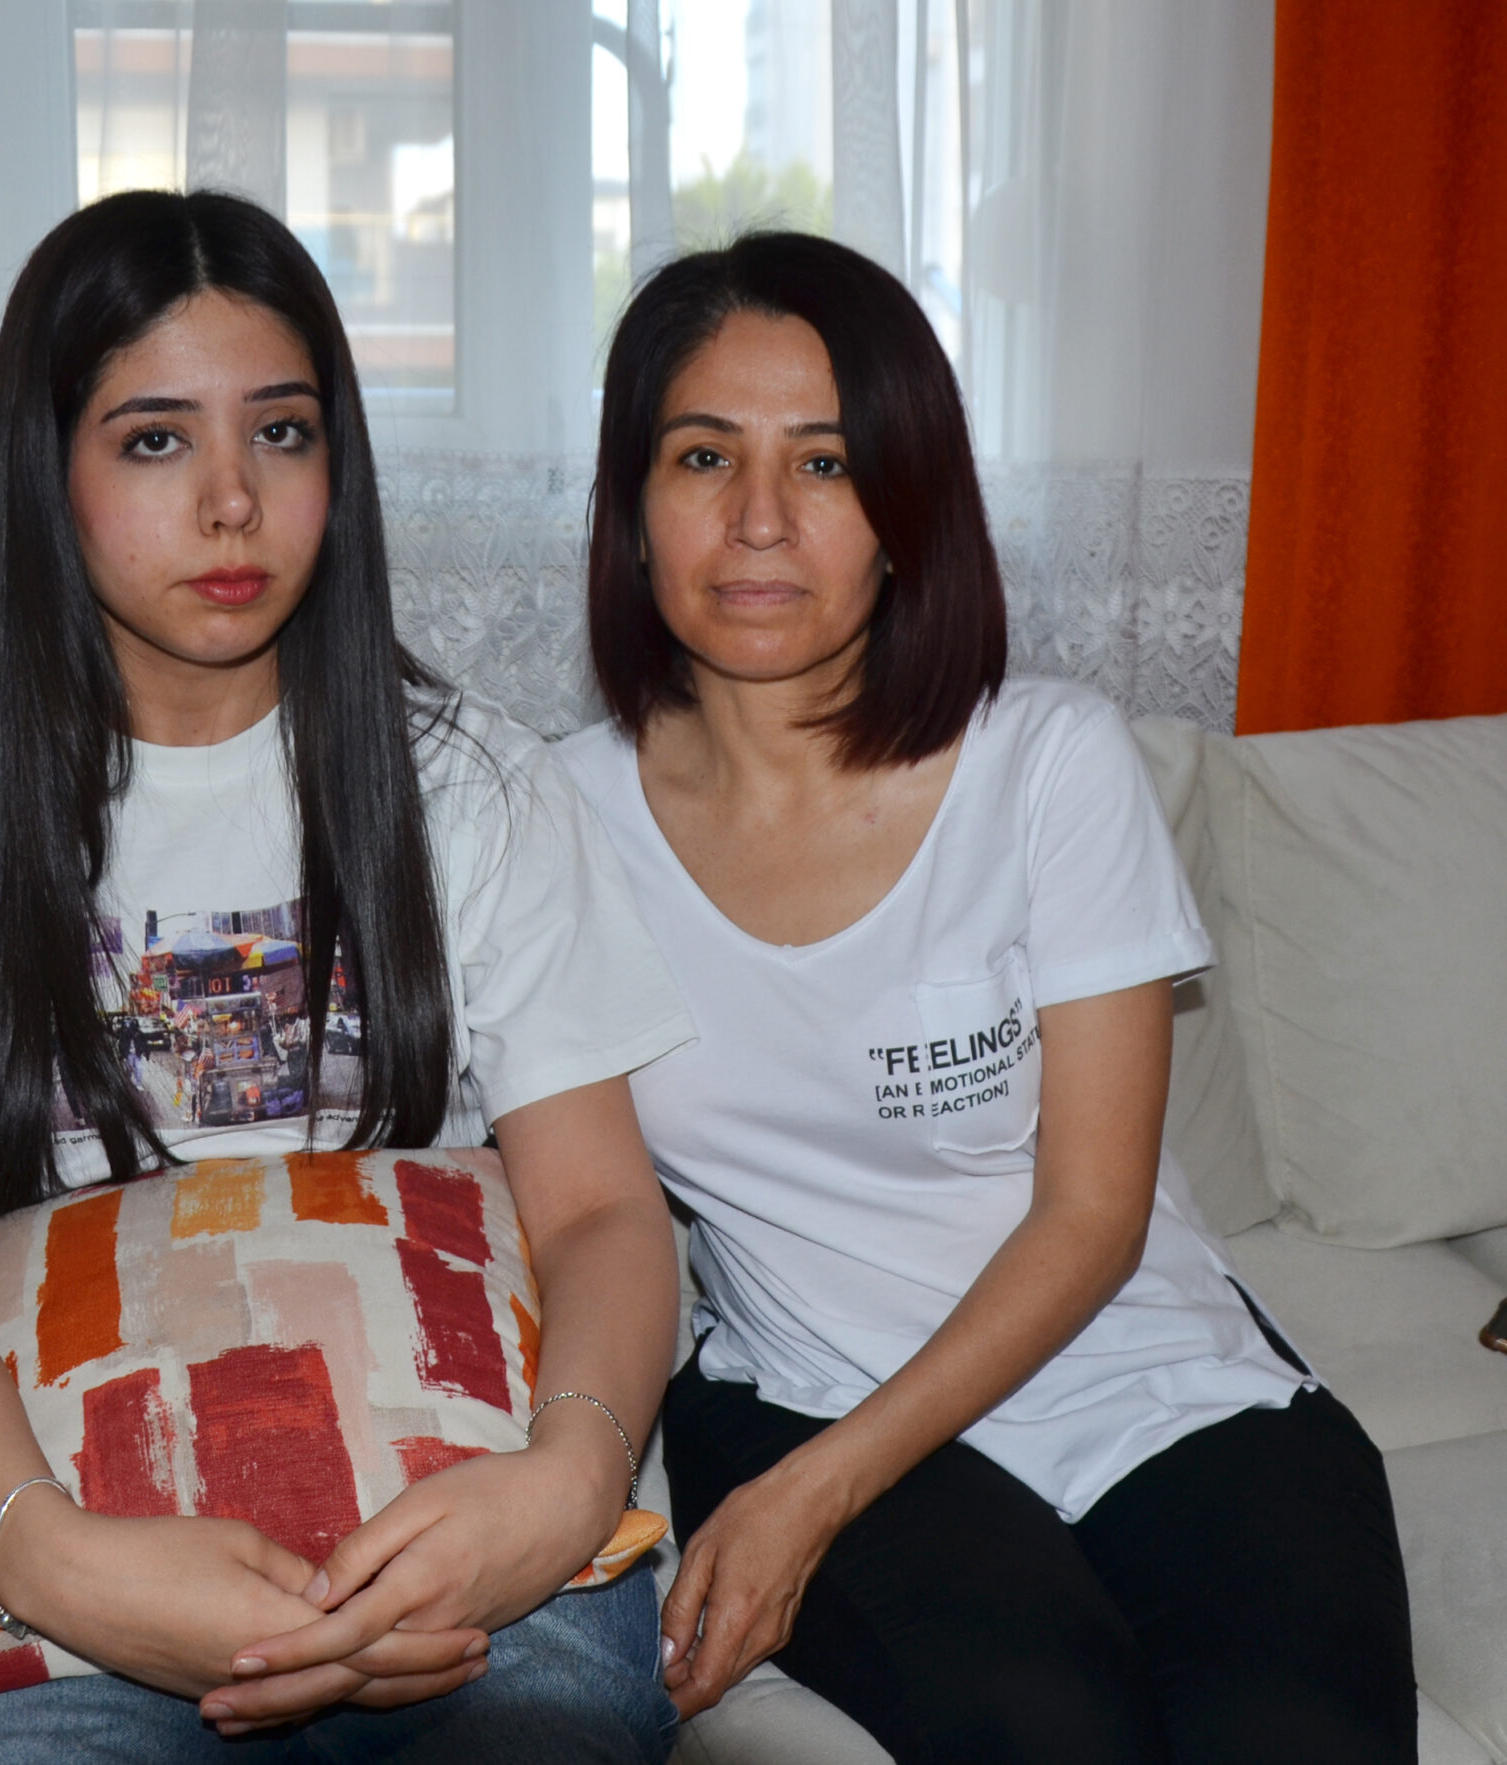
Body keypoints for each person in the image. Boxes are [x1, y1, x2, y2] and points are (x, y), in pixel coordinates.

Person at [0, 190, 690, 1764]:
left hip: (467, 1539)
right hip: (78, 1561)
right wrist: (62, 1561)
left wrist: (565, 1482)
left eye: (280, 431)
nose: (231, 502)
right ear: (45, 474)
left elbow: (605, 1206)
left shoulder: (477, 788)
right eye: (153, 440)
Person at [553, 232, 1417, 1765]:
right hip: (803, 1384)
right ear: (633, 507)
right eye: (705, 456)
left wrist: (814, 1501)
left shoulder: (1048, 764)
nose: (760, 519)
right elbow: (564, 1199)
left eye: (826, 462)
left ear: (909, 512)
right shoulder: (561, 822)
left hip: (1149, 1372)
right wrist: (787, 1475)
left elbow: (1094, 1213)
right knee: (1046, 1730)